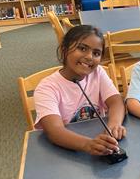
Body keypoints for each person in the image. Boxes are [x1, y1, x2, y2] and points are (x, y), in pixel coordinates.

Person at [34, 25, 126, 156]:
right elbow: (54, 131)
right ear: (65, 49)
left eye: (96, 53)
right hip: (64, 152)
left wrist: (114, 124)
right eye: (82, 48)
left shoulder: (98, 72)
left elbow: (116, 101)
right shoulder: (46, 88)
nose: (89, 57)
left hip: (100, 142)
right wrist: (88, 145)